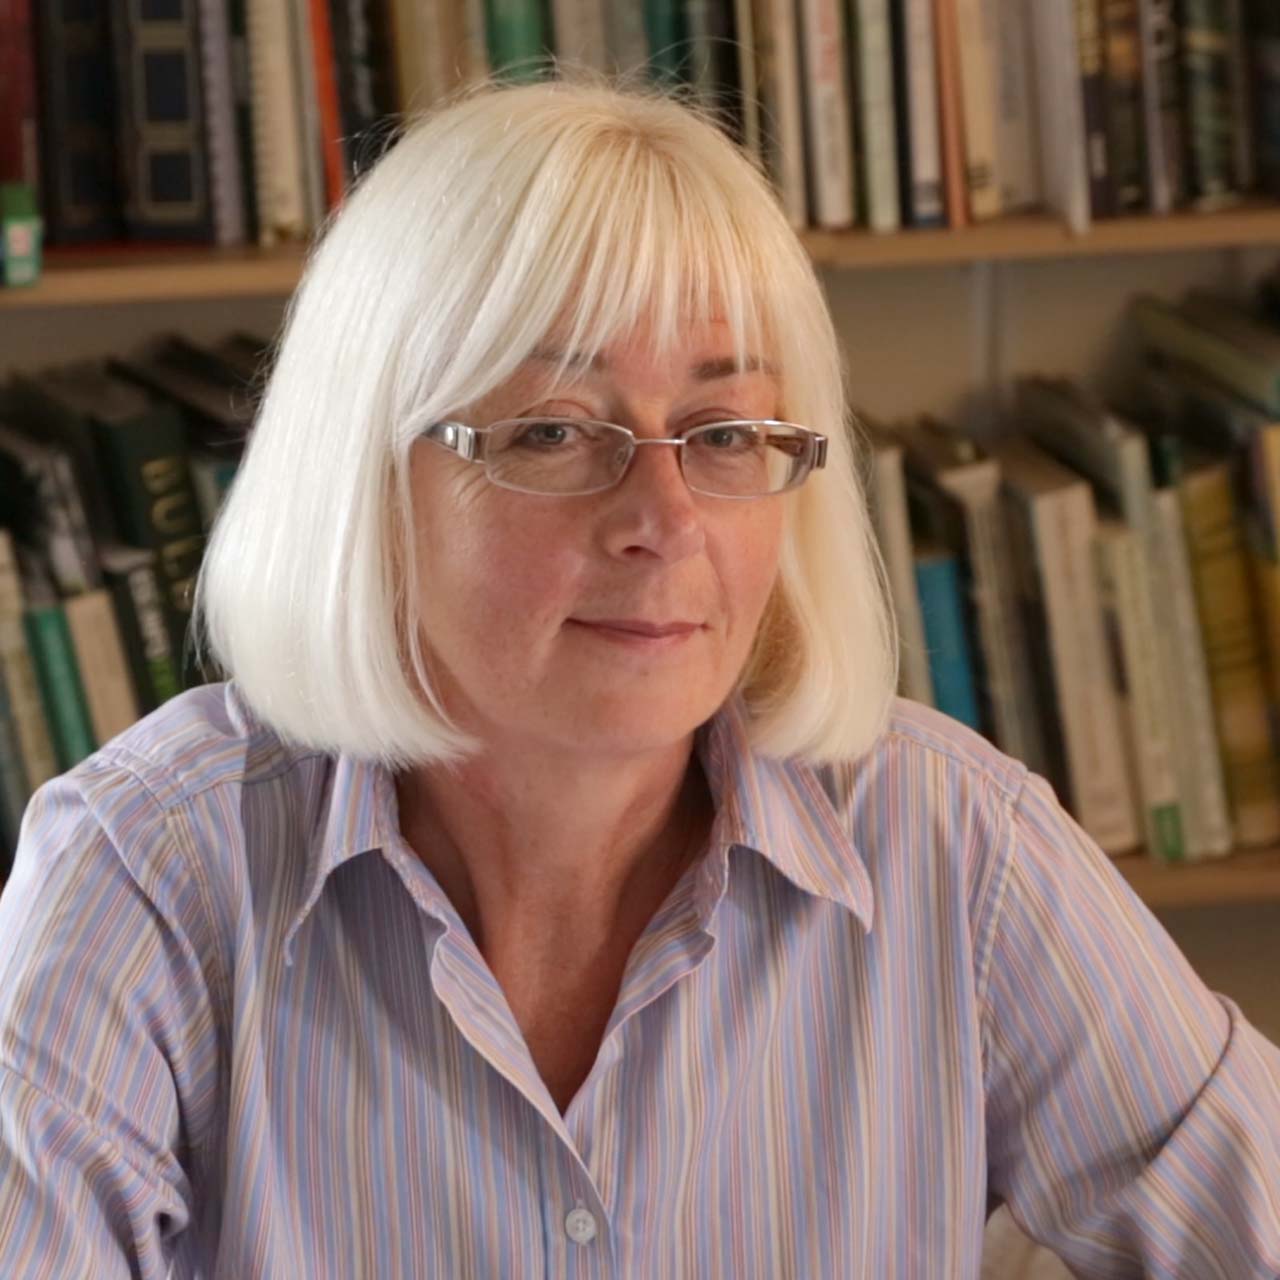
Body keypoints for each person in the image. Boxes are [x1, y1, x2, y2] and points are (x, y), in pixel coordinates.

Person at [0, 72, 1277, 1280]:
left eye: (725, 434)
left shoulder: (958, 851)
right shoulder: (148, 872)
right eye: (555, 431)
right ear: (369, 481)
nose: (663, 517)